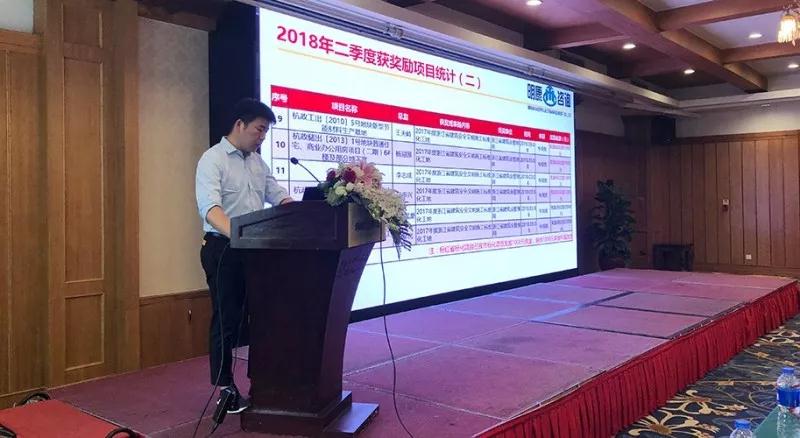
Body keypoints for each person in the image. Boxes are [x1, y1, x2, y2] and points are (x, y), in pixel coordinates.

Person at [195, 98, 293, 413]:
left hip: (255, 251)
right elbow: (211, 210)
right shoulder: (213, 160)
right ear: (240, 124)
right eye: (259, 130)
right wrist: (239, 235)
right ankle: (224, 386)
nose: (262, 137)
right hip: (223, 249)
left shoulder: (257, 163)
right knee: (227, 318)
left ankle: (262, 381)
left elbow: (277, 195)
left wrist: (297, 208)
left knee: (262, 316)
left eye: (265, 132)